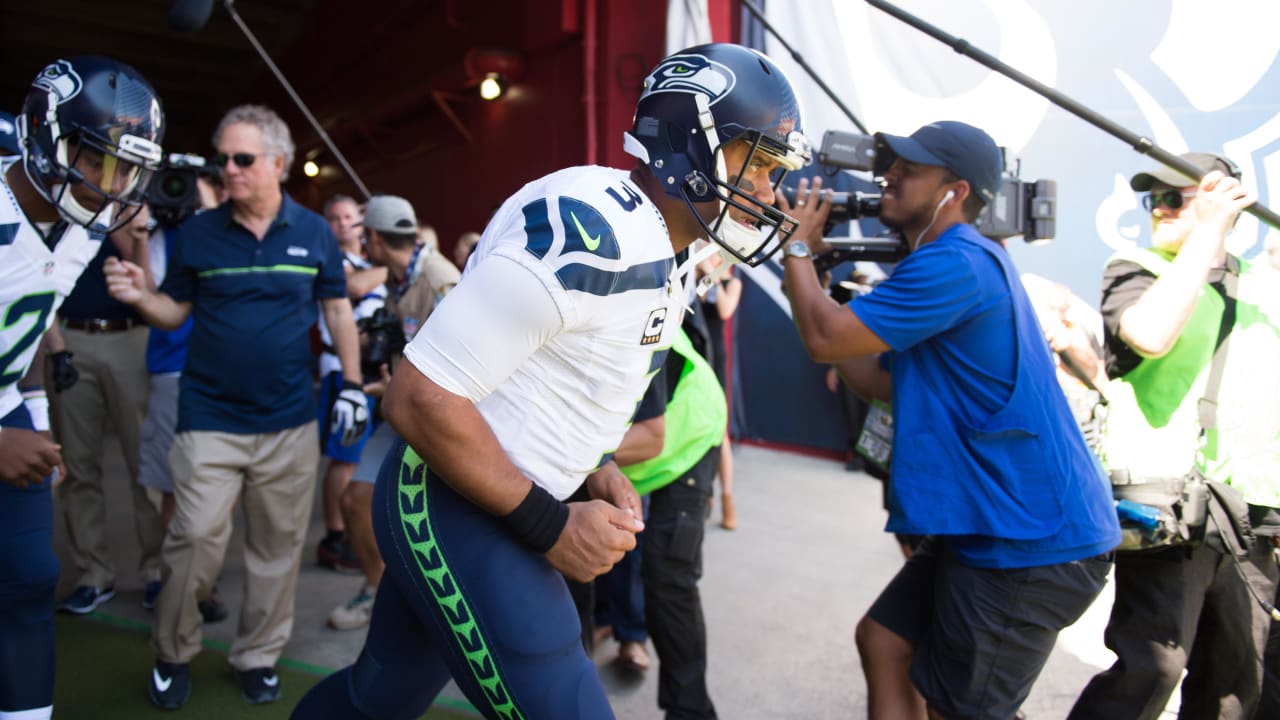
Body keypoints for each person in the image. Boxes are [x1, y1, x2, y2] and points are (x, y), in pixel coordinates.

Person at [291, 42, 811, 720]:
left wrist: (595, 463)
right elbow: (418, 397)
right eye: (758, 163)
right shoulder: (596, 231)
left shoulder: (670, 249)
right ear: (690, 143)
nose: (768, 191)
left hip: (497, 493)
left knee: (376, 699)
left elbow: (555, 375)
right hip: (449, 496)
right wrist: (554, 526)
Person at [779, 120, 1120, 719]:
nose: (889, 176)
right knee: (885, 641)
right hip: (995, 523)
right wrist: (814, 283)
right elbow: (878, 380)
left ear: (955, 191)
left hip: (1030, 541)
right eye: (891, 166)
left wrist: (799, 248)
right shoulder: (953, 261)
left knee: (960, 711)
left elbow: (825, 338)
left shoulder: (956, 262)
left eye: (909, 169)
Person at [105, 104, 368, 710]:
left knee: (276, 551)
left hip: (289, 423)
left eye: (242, 159)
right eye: (223, 159)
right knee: (193, 539)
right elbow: (173, 312)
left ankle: (257, 656)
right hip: (209, 420)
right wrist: (142, 297)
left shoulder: (314, 233)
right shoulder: (199, 233)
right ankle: (173, 652)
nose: (229, 170)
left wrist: (353, 385)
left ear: (278, 163)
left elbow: (336, 310)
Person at [1069, 153, 1278, 720]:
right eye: (1153, 198)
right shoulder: (1136, 268)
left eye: (1173, 197)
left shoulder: (1266, 287)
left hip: (1253, 514)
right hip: (1170, 506)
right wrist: (1205, 233)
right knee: (1151, 669)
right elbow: (1150, 335)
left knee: (1234, 690)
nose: (1158, 209)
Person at [0, 55, 164, 720]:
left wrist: (34, 414)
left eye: (126, 169)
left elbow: (29, 328)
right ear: (43, 135)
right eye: (95, 160)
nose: (109, 186)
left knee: (30, 578)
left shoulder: (85, 227)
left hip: (7, 404)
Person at [325, 193, 460, 631]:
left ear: (375, 239)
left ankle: (431, 611)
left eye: (365, 237)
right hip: (401, 410)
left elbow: (462, 365)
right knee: (355, 500)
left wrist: (395, 387)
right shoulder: (401, 278)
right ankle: (376, 590)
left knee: (434, 521)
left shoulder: (440, 279)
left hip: (439, 418)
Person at [54, 202, 167, 614]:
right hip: (71, 338)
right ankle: (93, 574)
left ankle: (155, 571)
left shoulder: (129, 207)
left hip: (129, 338)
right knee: (78, 465)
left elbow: (148, 287)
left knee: (145, 464)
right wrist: (56, 350)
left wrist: (129, 225)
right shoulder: (60, 203)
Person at [137, 172, 230, 623]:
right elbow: (147, 294)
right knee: (174, 484)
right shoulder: (164, 238)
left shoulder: (231, 235)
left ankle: (203, 583)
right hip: (172, 371)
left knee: (218, 489)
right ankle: (178, 581)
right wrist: (139, 233)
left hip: (221, 375)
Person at [315, 193, 383, 573]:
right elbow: (353, 287)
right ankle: (335, 536)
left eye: (349, 217)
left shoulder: (370, 260)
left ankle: (355, 530)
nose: (343, 224)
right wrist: (392, 266)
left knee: (362, 453)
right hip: (341, 368)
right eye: (335, 218)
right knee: (345, 455)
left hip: (372, 367)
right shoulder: (329, 259)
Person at [695, 249, 741, 529]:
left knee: (719, 431)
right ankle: (705, 493)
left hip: (715, 359)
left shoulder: (732, 283)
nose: (709, 258)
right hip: (695, 355)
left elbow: (724, 309)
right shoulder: (697, 278)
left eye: (714, 254)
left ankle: (727, 497)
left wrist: (711, 275)